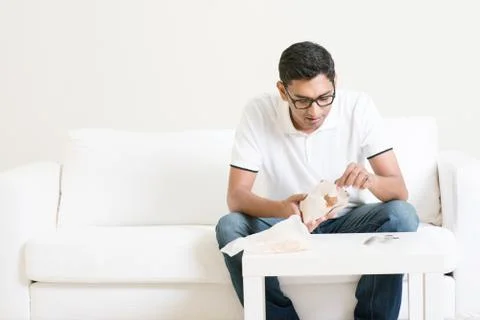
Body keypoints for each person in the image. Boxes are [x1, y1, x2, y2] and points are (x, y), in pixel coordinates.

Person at [215, 41, 419, 320]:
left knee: (402, 215)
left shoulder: (357, 107)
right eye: (302, 100)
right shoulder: (258, 112)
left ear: (336, 83)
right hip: (286, 223)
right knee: (230, 227)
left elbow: (399, 190)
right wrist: (282, 208)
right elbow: (236, 196)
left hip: (350, 221)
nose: (315, 112)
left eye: (325, 97)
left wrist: (370, 180)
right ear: (282, 91)